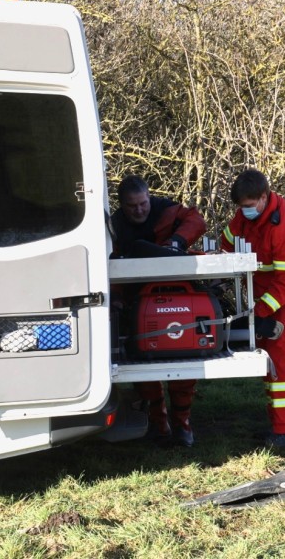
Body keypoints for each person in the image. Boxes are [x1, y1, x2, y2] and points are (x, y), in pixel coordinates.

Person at [221, 169, 285, 448]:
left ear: (263, 198)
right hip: (266, 289)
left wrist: (256, 315)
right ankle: (276, 421)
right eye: (241, 208)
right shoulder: (246, 212)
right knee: (267, 352)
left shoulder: (284, 229)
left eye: (248, 207)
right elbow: (227, 242)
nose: (244, 212)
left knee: (281, 355)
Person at [109, 175, 206, 447]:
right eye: (132, 206)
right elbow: (110, 265)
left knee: (183, 362)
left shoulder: (166, 209)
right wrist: (116, 300)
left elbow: (196, 221)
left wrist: (177, 241)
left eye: (143, 204)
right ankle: (158, 423)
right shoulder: (115, 227)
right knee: (144, 367)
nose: (139, 210)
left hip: (177, 296)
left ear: (149, 197)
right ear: (122, 205)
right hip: (138, 301)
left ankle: (183, 426)